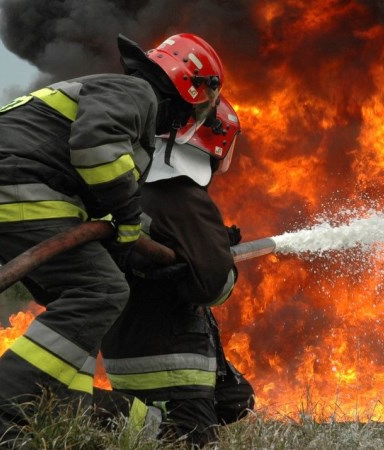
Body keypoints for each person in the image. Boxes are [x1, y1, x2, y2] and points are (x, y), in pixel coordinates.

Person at [0, 32, 226, 448]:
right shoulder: (137, 94)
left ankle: (57, 411)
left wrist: (139, 243)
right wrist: (129, 220)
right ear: (189, 86)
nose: (192, 118)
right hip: (14, 180)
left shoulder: (118, 95)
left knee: (77, 309)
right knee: (102, 291)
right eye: (201, 106)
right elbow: (96, 150)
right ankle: (0, 422)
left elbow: (97, 192)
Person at [100, 95, 255, 448]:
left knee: (236, 398)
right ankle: (106, 415)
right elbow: (215, 286)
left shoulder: (132, 188)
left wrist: (208, 244)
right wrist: (218, 257)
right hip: (171, 359)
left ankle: (143, 422)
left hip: (126, 348)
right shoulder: (182, 194)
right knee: (188, 440)